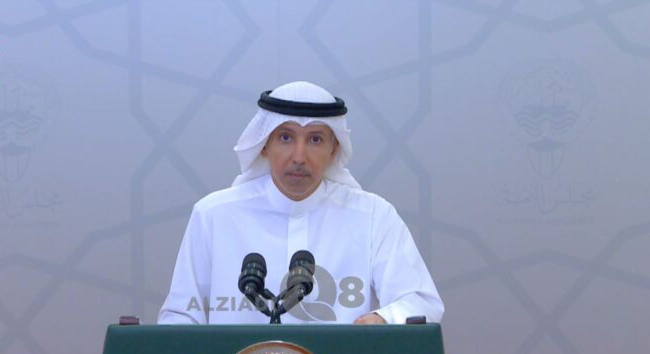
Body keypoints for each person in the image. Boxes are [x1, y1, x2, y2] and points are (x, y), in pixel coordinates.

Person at [157, 81, 443, 324]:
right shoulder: (214, 215)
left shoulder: (373, 216)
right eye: (285, 137)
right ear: (264, 145)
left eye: (315, 140)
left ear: (334, 149)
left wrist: (383, 318)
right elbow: (179, 317)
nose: (299, 156)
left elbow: (421, 302)